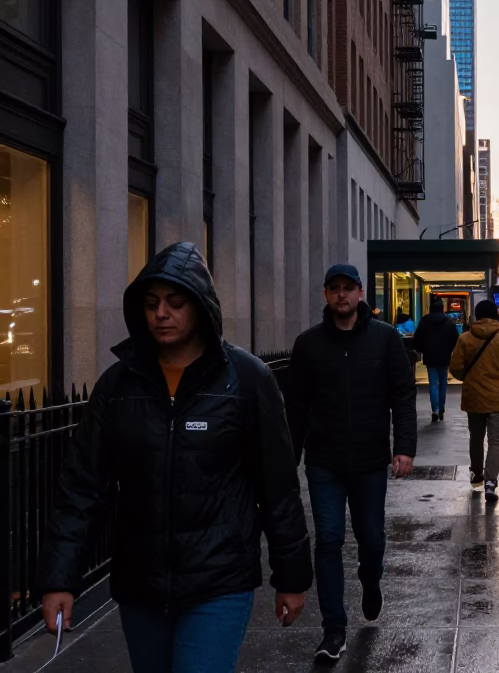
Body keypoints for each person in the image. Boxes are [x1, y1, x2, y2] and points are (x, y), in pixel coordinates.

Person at [38, 242, 312, 673]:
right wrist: (60, 579)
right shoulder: (118, 385)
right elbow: (82, 487)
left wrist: (292, 578)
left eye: (174, 302)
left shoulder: (245, 379)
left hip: (219, 581)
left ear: (200, 306)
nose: (160, 314)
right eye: (151, 304)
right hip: (140, 583)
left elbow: (278, 487)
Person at [285, 264, 417, 661]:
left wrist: (404, 446)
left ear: (361, 293)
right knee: (327, 540)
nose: (341, 295)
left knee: (371, 539)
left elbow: (402, 394)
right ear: (325, 295)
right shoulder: (308, 345)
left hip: (369, 460)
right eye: (334, 289)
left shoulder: (385, 339)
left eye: (348, 288)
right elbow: (296, 407)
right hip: (324, 461)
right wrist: (289, 460)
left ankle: (370, 579)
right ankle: (333, 628)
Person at [449, 300, 499, 502]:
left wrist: (469, 377)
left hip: (474, 397)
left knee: (476, 437)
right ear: (495, 316)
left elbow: (454, 367)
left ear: (476, 316)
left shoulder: (465, 339)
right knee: (495, 440)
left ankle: (476, 474)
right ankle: (491, 482)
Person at [413, 300, 461, 422]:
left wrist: (423, 350)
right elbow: (456, 339)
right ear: (442, 309)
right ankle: (441, 408)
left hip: (430, 356)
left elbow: (417, 338)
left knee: (433, 383)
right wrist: (449, 350)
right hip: (444, 356)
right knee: (443, 383)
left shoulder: (425, 321)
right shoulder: (449, 322)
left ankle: (434, 409)